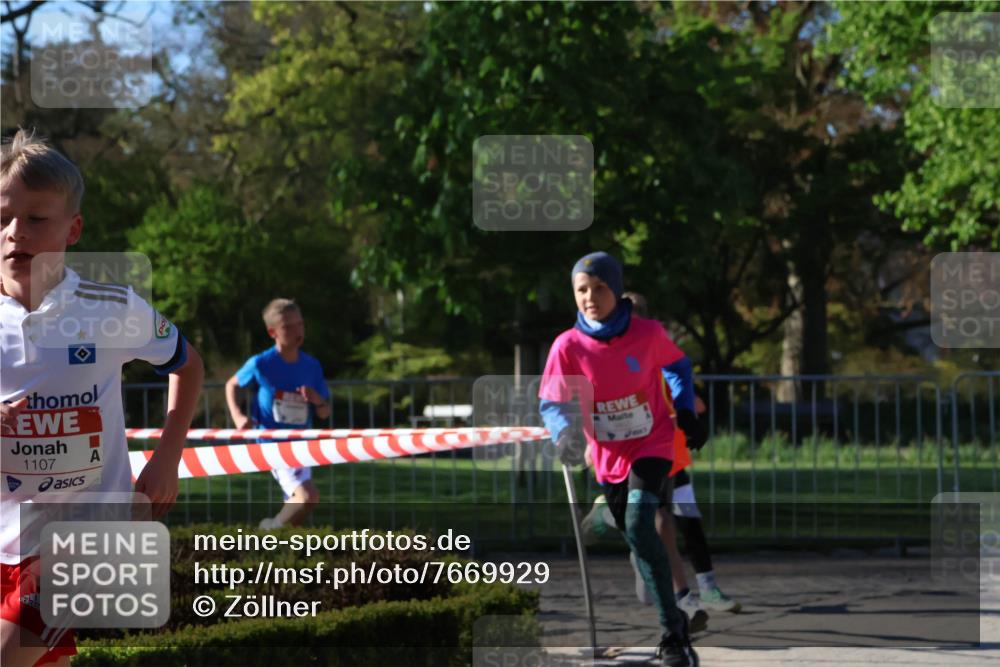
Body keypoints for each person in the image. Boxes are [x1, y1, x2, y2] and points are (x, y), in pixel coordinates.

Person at [1, 129, 204, 667]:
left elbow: (188, 364)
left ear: (74, 228)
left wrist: (168, 457)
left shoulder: (111, 308)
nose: (14, 234)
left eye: (36, 219)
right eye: (2, 217)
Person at [538, 252, 703, 667]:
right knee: (634, 529)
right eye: (581, 290)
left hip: (652, 443)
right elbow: (551, 403)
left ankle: (671, 633)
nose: (590, 298)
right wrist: (566, 434)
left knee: (637, 520)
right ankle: (607, 519)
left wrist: (684, 408)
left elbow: (678, 366)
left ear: (615, 288)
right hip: (608, 456)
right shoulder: (567, 347)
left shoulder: (647, 334)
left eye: (599, 288)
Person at [583, 292, 742, 617]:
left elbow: (689, 395)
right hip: (630, 456)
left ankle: (697, 590)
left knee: (680, 522)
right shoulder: (606, 358)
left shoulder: (654, 351)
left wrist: (686, 414)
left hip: (669, 457)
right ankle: (676, 593)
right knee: (658, 521)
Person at [226, 298, 330, 529]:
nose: (297, 331)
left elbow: (324, 412)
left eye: (300, 324)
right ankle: (270, 531)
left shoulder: (312, 366)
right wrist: (238, 416)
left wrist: (317, 400)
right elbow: (231, 384)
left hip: (302, 445)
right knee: (307, 496)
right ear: (273, 332)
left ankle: (277, 539)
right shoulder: (261, 363)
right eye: (288, 327)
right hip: (273, 444)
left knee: (299, 503)